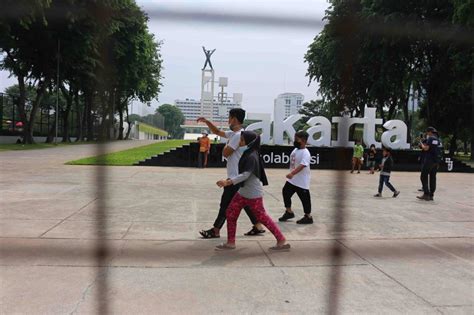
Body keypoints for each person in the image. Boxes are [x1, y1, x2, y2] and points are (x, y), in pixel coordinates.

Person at [215, 131, 290, 251]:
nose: (240, 142)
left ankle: (281, 240)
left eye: (242, 140)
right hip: (243, 192)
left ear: (249, 142)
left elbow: (246, 175)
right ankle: (230, 243)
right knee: (231, 213)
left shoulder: (251, 156)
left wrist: (228, 182)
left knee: (263, 217)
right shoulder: (249, 152)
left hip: (253, 194)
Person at [197, 108, 265, 238]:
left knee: (225, 205)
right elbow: (217, 132)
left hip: (235, 177)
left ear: (234, 119)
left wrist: (226, 144)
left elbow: (225, 153)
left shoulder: (238, 136)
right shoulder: (235, 134)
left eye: (229, 117)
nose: (228, 120)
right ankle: (258, 226)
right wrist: (207, 122)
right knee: (245, 203)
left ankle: (216, 230)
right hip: (237, 176)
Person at [278, 131, 314, 224]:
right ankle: (289, 212)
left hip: (301, 181)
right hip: (292, 180)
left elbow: (303, 165)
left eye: (296, 139)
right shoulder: (295, 150)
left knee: (305, 199)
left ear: (303, 140)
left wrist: (292, 173)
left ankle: (308, 217)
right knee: (285, 192)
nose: (294, 141)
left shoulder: (306, 153)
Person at [417, 127, 440, 201]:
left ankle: (426, 194)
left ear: (429, 132)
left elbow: (426, 148)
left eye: (427, 132)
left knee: (423, 176)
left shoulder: (430, 138)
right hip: (436, 161)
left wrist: (421, 144)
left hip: (429, 160)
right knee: (433, 178)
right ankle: (431, 195)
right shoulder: (437, 139)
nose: (427, 134)